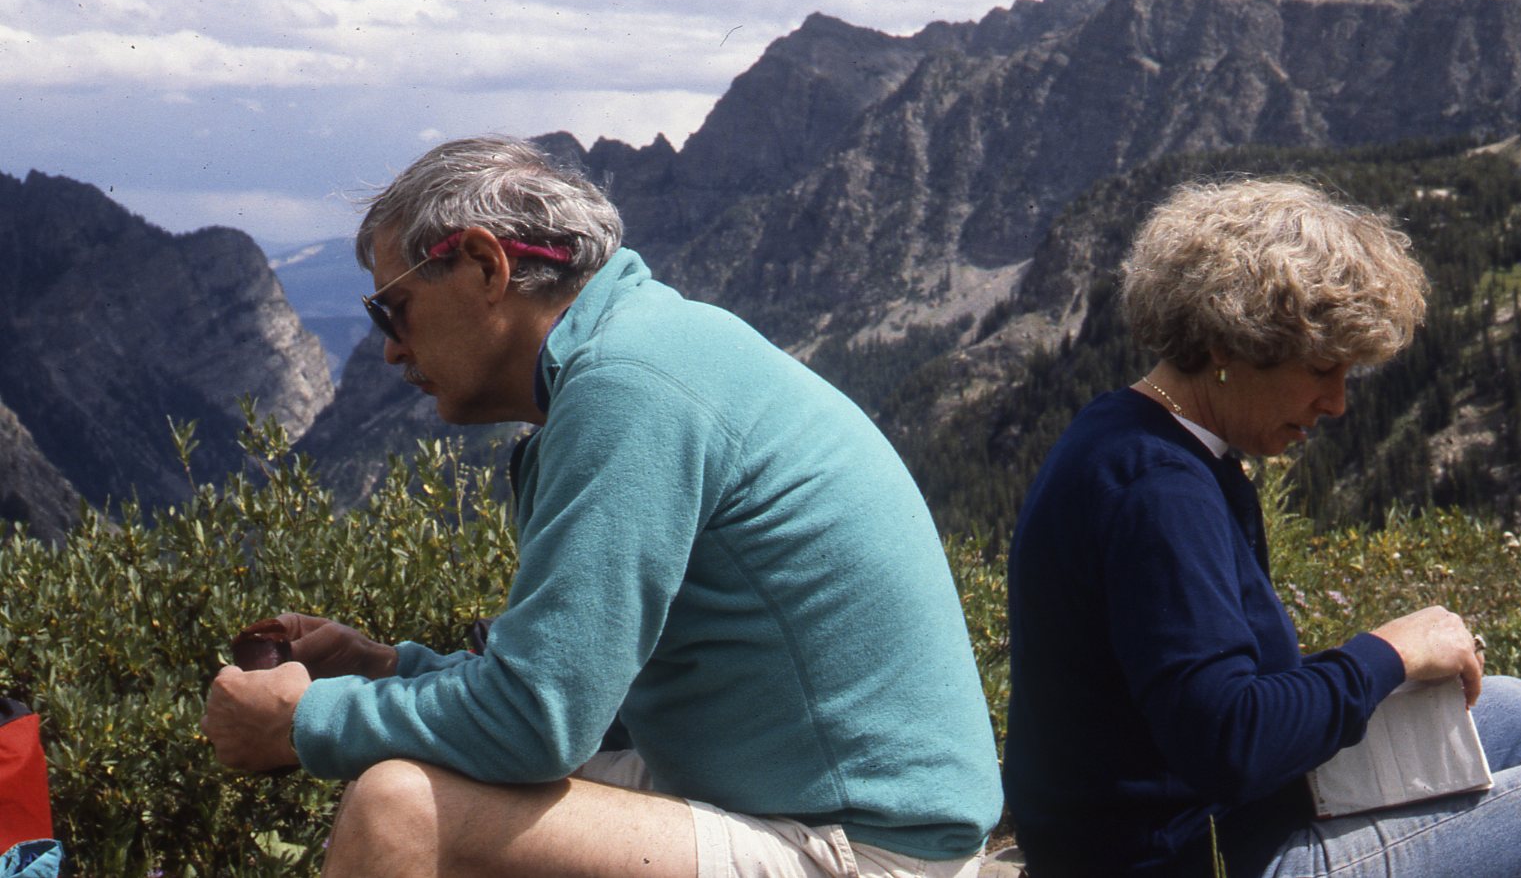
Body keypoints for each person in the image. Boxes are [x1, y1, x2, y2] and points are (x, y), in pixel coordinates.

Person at [200, 135, 1001, 878]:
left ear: (483, 265)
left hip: (866, 849)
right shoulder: (643, 349)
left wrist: (301, 721)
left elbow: (534, 722)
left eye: (392, 308)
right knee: (442, 772)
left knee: (400, 807)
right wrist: (385, 667)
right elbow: (570, 697)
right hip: (813, 806)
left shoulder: (627, 385)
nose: (389, 348)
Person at [1002, 178, 1521, 877]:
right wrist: (1390, 654)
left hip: (1218, 817)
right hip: (1195, 856)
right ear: (1229, 344)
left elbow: (1214, 702)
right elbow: (1231, 741)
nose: (1337, 403)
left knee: (1516, 709)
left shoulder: (1138, 437)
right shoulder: (1159, 490)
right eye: (1321, 369)